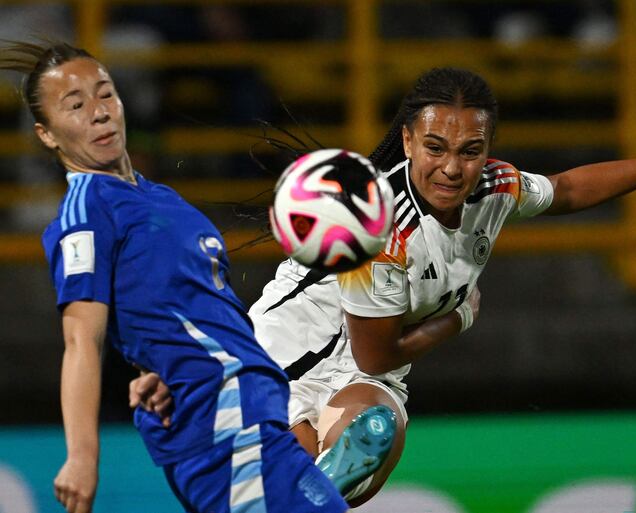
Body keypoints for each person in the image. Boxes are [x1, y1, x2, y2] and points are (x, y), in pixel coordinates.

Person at [133, 67, 636, 506]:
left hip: (368, 374)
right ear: (407, 141)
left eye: (470, 150)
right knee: (298, 489)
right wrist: (459, 321)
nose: (452, 166)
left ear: (488, 152)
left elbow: (565, 189)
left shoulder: (494, 188)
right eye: (434, 147)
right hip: (283, 366)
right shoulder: (382, 232)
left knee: (373, 439)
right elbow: (379, 350)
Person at [0, 41, 396, 513]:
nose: (99, 113)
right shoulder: (87, 211)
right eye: (76, 105)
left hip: (252, 410)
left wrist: (162, 368)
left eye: (105, 94)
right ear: (46, 134)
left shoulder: (161, 199)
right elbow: (81, 340)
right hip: (219, 419)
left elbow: (184, 310)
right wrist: (82, 456)